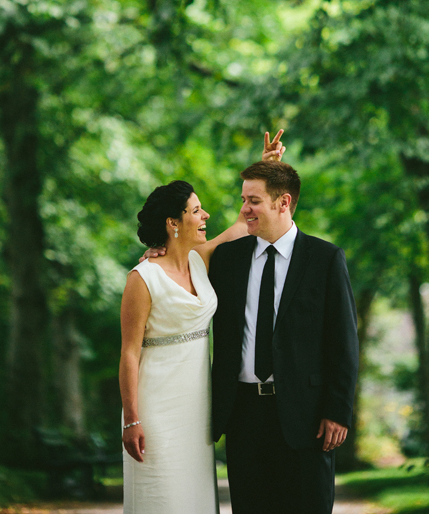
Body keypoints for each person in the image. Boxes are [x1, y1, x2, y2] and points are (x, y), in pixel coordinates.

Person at [119, 131, 284, 513]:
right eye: (195, 211)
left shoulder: (202, 260)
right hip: (155, 406)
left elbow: (246, 225)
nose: (205, 215)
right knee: (163, 496)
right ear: (173, 223)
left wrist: (268, 168)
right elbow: (129, 353)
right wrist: (132, 419)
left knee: (194, 498)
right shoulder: (142, 278)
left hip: (198, 406)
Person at [208, 156, 359, 514]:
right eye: (243, 200)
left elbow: (344, 341)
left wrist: (338, 410)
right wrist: (157, 251)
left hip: (306, 416)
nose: (244, 209)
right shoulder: (227, 259)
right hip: (242, 412)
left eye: (253, 201)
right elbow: (179, 268)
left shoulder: (325, 258)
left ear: (284, 202)